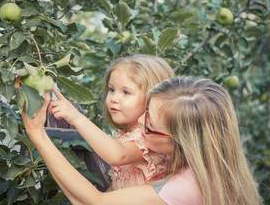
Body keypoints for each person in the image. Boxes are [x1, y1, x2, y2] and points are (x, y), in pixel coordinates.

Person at [21, 76, 262, 205]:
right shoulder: (215, 171)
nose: (141, 122)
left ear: (182, 142)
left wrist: (37, 135)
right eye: (146, 110)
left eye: (149, 125)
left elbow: (93, 203)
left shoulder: (184, 189)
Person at [48, 54, 175, 190]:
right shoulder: (125, 136)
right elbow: (117, 185)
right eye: (112, 89)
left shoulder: (150, 138)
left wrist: (76, 117)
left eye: (126, 92)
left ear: (152, 100)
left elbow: (117, 155)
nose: (114, 98)